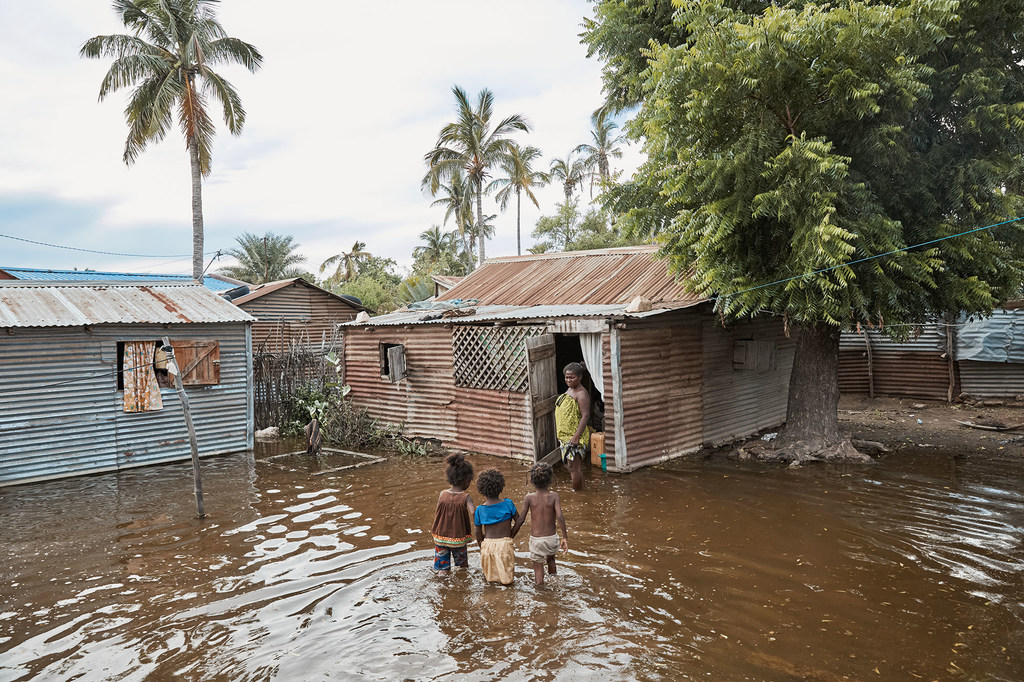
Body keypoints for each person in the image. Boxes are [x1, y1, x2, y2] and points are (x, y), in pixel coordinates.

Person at [511, 462, 568, 586]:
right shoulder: (554, 496)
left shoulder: (529, 498)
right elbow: (560, 516)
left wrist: (510, 536)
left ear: (532, 481)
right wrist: (564, 537)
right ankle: (554, 583)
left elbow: (521, 520)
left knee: (538, 568)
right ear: (550, 480)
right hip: (551, 538)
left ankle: (540, 590)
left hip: (536, 540)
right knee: (551, 560)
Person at [430, 453, 476, 576]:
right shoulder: (466, 497)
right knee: (463, 566)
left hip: (441, 537)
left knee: (443, 569)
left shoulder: (442, 494)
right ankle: (463, 583)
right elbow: (473, 512)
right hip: (458, 538)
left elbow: (438, 513)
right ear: (466, 480)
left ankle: (441, 583)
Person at [473, 468, 518, 585]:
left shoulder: (480, 510)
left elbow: (477, 532)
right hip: (504, 545)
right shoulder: (508, 504)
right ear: (501, 486)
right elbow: (518, 521)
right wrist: (511, 534)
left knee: (490, 580)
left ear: (482, 490)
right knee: (507, 580)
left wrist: (481, 545)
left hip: (488, 545)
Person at [555, 362, 591, 490]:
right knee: (570, 466)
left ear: (580, 377)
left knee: (573, 467)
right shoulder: (570, 390)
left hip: (575, 436)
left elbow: (585, 416)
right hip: (566, 436)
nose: (568, 380)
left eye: (572, 377)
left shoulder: (581, 394)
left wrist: (576, 437)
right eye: (566, 377)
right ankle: (582, 489)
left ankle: (577, 494)